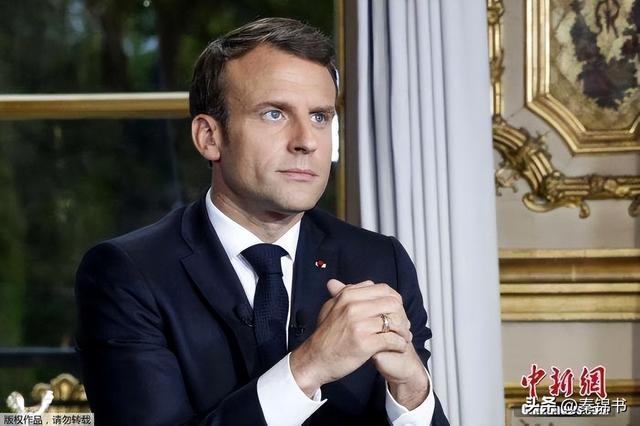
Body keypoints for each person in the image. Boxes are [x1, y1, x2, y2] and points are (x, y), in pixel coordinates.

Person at [75, 17, 449, 425]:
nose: (306, 141)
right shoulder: (127, 274)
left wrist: (412, 391)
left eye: (320, 117)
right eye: (274, 114)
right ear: (209, 137)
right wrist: (309, 366)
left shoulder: (380, 261)